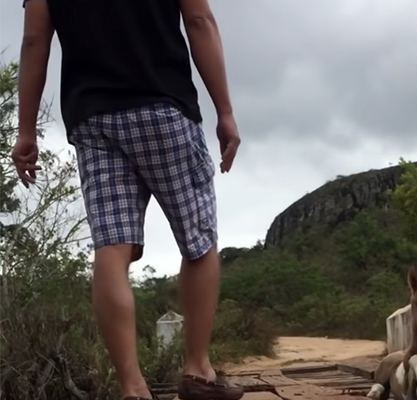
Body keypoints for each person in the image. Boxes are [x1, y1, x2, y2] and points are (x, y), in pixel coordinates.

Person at [13, 0, 243, 399]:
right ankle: (198, 370)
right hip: (163, 106)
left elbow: (35, 40)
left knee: (112, 248)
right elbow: (200, 19)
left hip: (92, 119)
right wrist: (225, 111)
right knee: (199, 242)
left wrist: (27, 130)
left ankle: (133, 387)